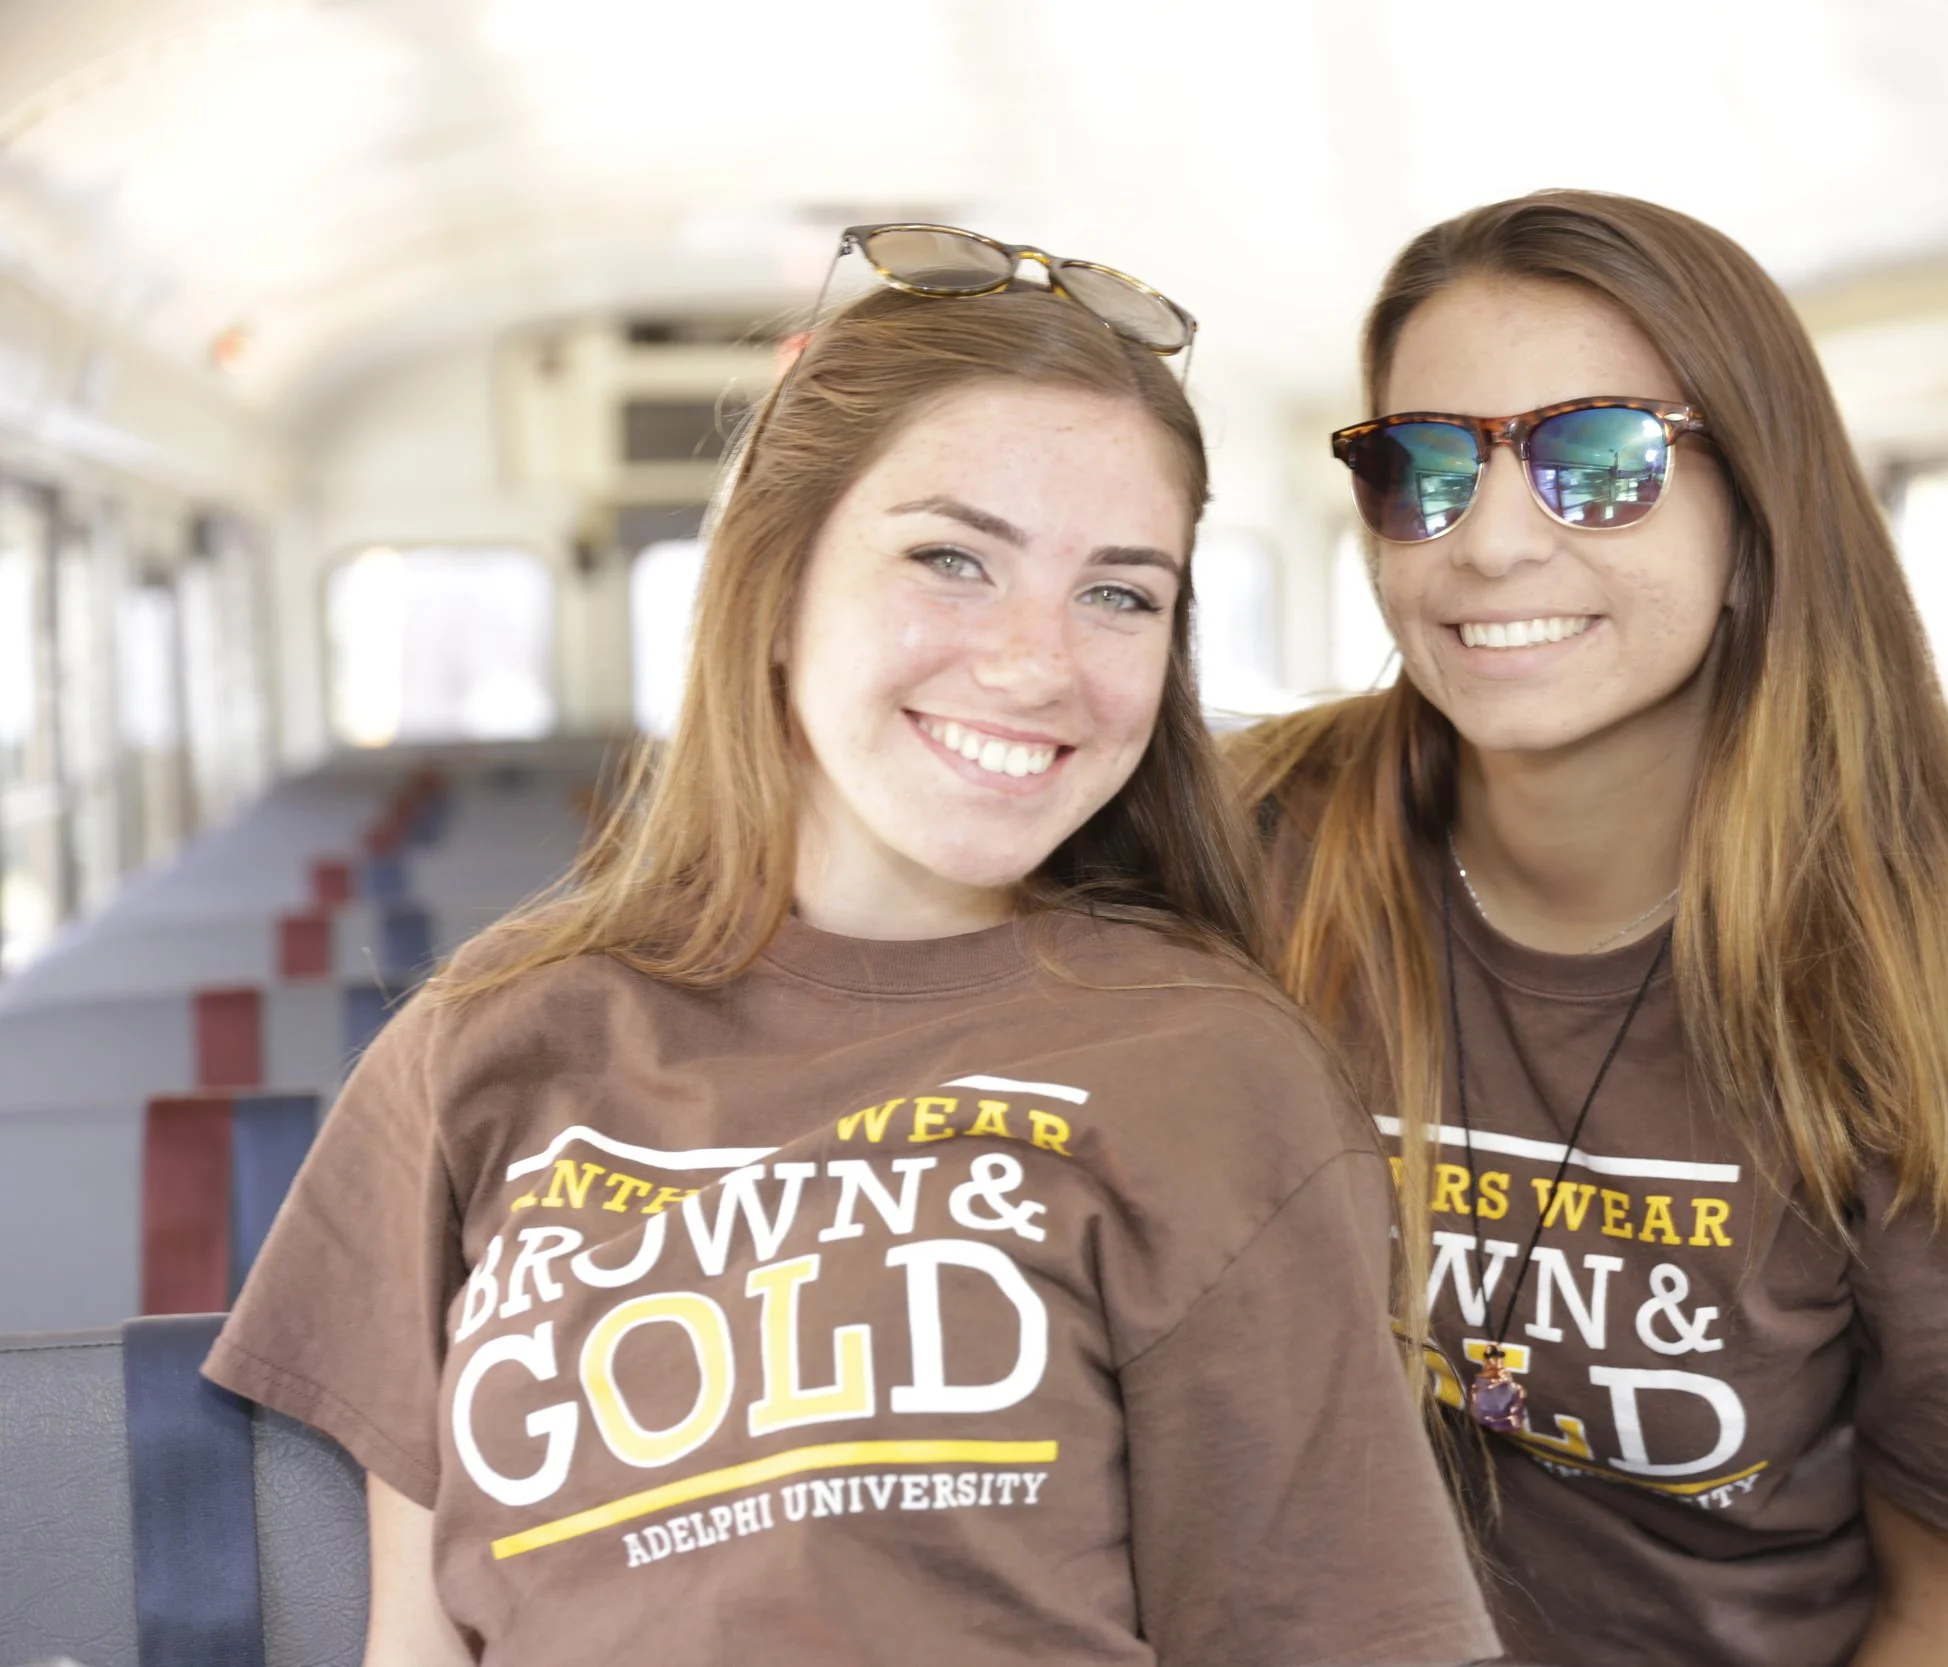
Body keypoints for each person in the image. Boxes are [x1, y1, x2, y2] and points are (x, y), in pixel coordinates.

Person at [207, 225, 1498, 1667]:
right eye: (953, 559)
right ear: (776, 584)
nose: (1035, 662)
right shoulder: (486, 1041)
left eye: (1120, 592)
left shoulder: (1213, 1069)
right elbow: (415, 1636)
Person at [1236, 191, 1948, 1667]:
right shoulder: (1255, 846)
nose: (1482, 544)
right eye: (1420, 467)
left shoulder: (1926, 1003)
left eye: (1594, 462)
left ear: (1756, 513)